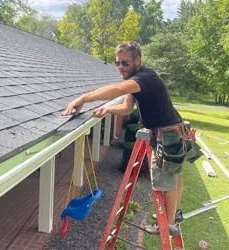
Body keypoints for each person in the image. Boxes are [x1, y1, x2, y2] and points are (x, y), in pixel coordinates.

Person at [62, 41, 185, 236]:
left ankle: (169, 225)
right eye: (117, 62)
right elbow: (126, 107)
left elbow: (118, 89)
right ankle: (174, 217)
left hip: (167, 135)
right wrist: (108, 108)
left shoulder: (145, 77)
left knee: (166, 181)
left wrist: (83, 98)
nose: (120, 67)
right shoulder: (137, 81)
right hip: (166, 133)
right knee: (174, 177)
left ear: (138, 60)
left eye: (125, 63)